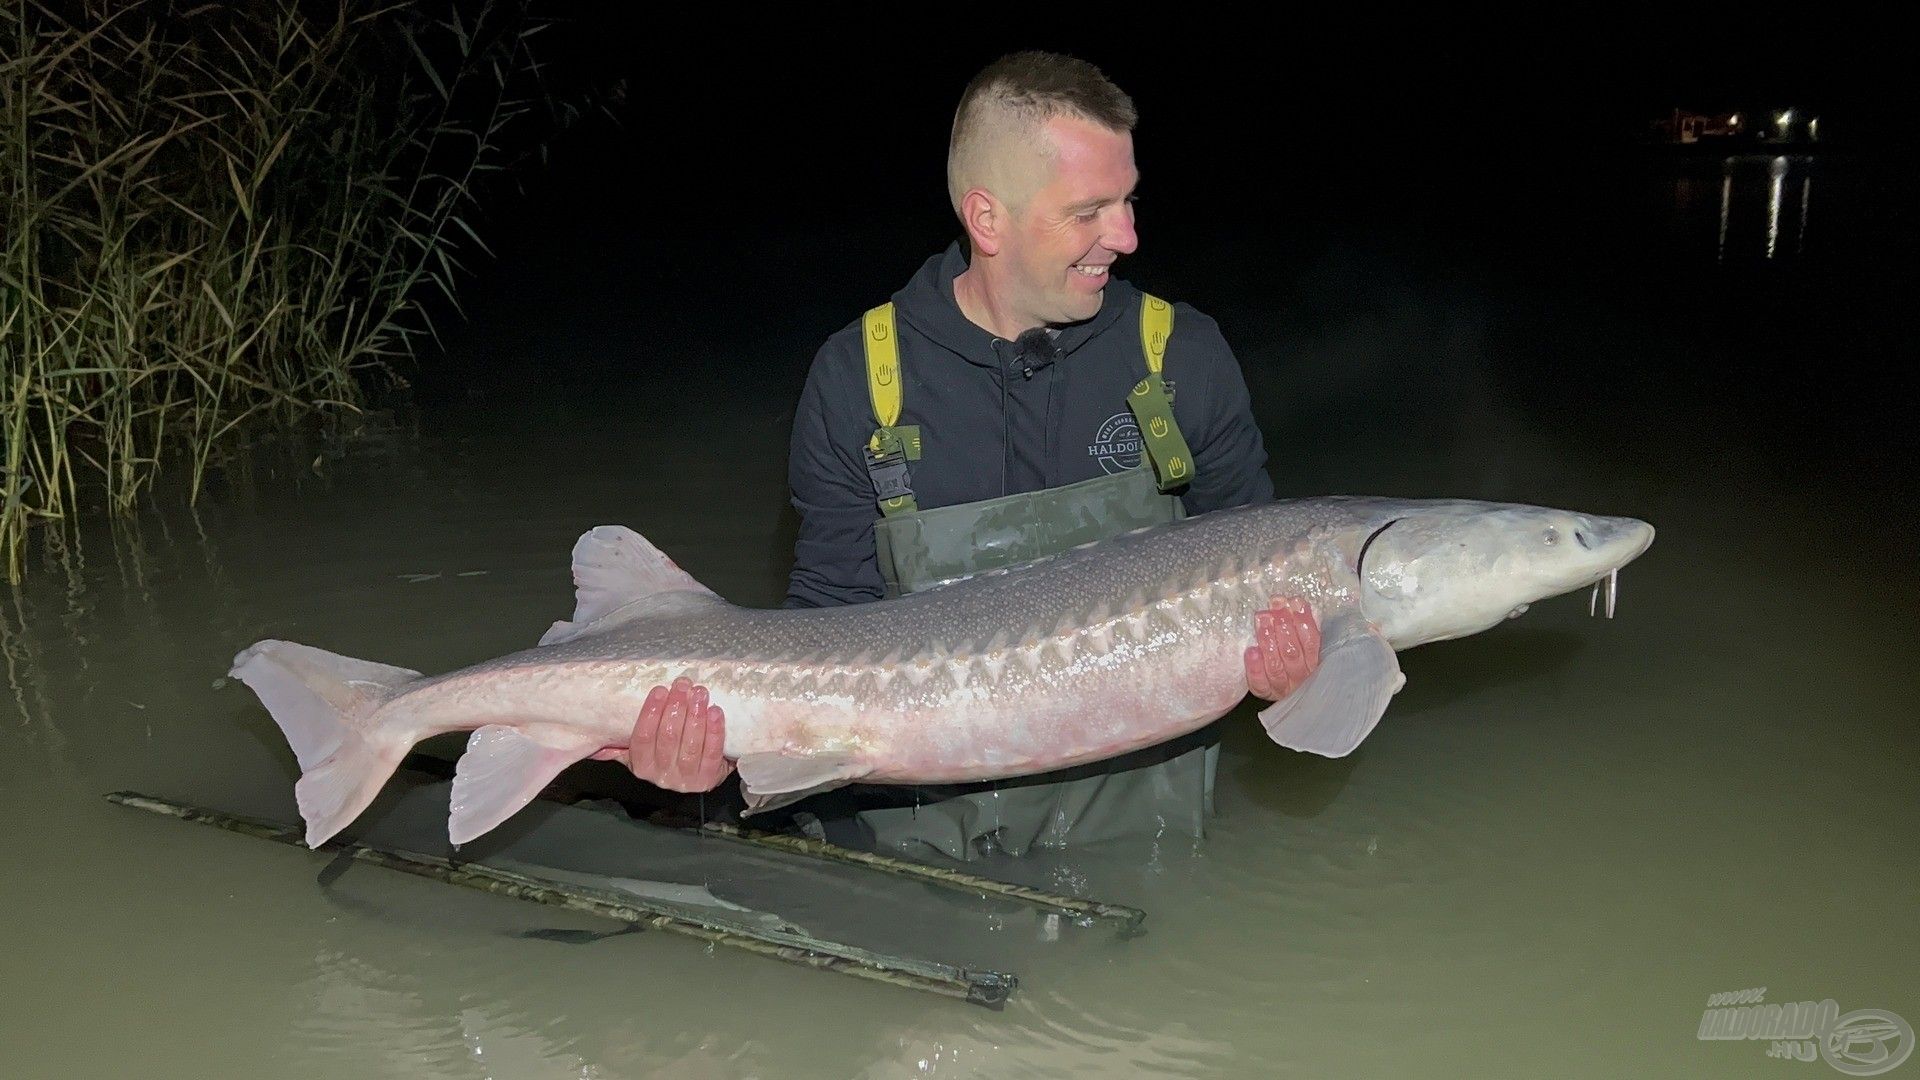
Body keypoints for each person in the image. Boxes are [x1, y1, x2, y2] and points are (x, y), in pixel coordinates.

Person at [618, 50, 1320, 856]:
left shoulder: (1181, 356)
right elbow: (825, 625)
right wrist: (712, 747)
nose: (1126, 236)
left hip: (1141, 827)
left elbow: (1264, 564)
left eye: (1128, 200)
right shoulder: (860, 379)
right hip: (914, 835)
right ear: (988, 220)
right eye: (1089, 210)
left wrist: (1298, 671)